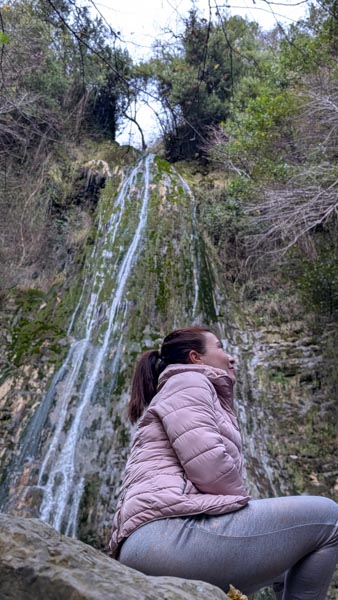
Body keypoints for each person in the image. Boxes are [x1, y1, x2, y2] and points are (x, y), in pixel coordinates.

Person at [109, 326, 338, 599]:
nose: (231, 358)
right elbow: (209, 467)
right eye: (220, 347)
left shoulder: (177, 389)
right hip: (167, 538)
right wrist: (243, 503)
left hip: (148, 544)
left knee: (292, 558)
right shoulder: (188, 382)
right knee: (330, 518)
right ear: (196, 358)